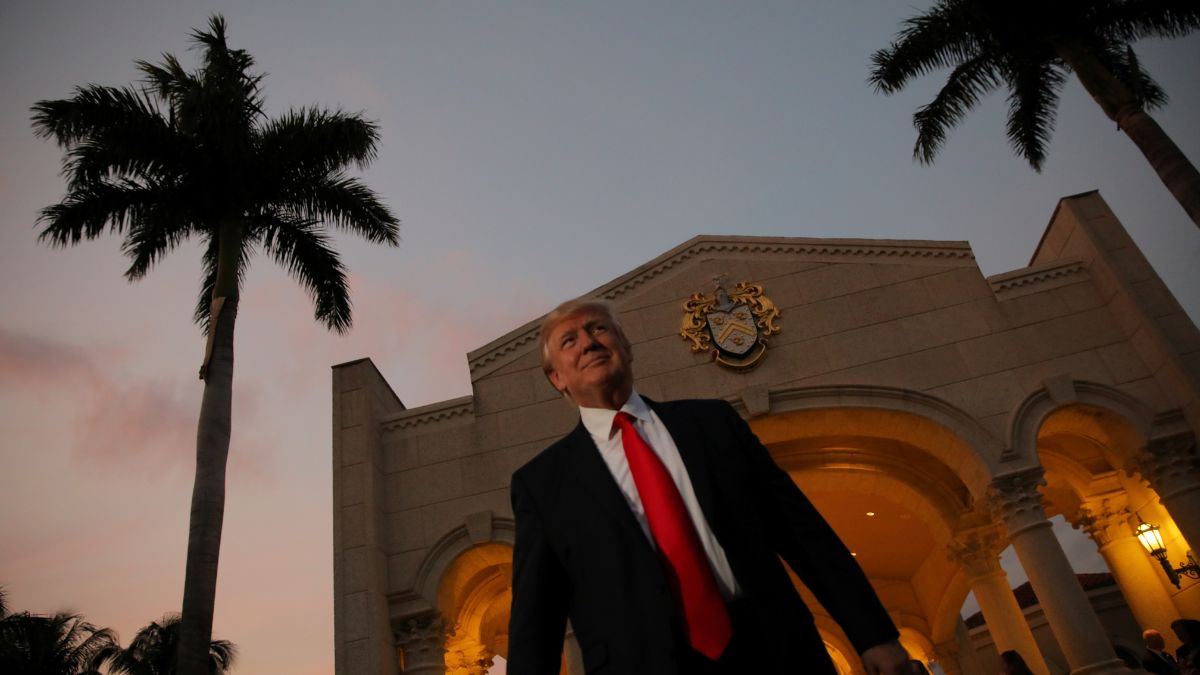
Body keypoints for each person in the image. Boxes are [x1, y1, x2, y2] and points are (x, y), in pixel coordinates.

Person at [507, 299, 910, 674]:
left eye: (599, 329)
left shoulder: (714, 424)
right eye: (570, 340)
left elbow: (804, 534)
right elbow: (537, 618)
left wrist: (873, 634)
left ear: (626, 347)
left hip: (775, 648)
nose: (590, 342)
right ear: (556, 377)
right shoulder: (542, 484)